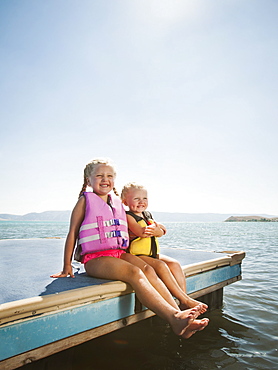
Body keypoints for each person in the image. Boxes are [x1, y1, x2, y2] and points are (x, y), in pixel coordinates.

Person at [51, 158, 209, 339]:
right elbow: (72, 233)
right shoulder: (84, 202)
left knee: (148, 269)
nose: (105, 179)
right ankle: (174, 318)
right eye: (99, 175)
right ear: (88, 180)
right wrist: (67, 266)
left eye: (109, 176)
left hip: (119, 254)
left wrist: (159, 230)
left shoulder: (117, 203)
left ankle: (180, 316)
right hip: (96, 258)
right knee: (135, 273)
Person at [121, 182, 208, 313]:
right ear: (125, 202)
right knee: (161, 266)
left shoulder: (147, 215)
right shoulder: (128, 216)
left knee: (174, 264)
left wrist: (160, 231)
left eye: (144, 198)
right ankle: (184, 301)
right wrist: (157, 230)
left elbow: (162, 228)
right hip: (137, 255)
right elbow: (141, 231)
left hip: (151, 253)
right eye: (136, 199)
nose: (141, 202)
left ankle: (184, 298)